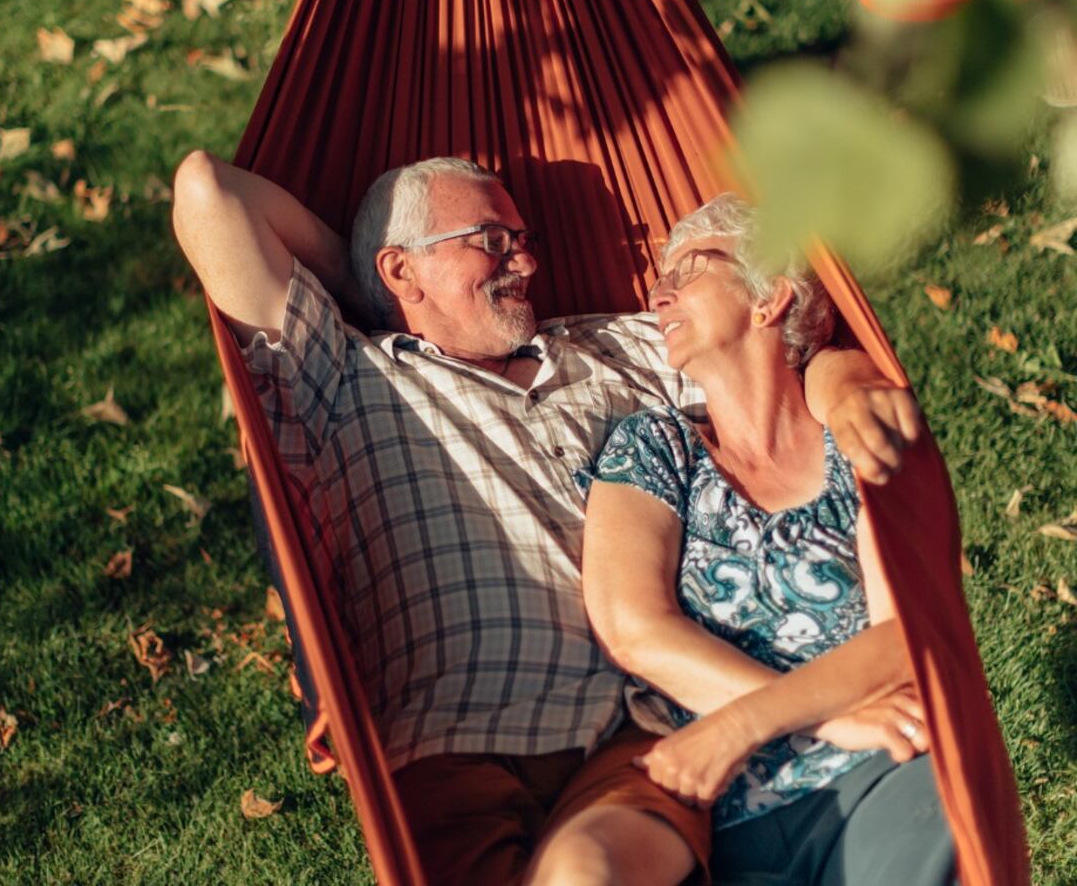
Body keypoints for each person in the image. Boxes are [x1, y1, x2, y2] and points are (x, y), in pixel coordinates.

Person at [171, 153, 922, 886]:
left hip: (636, 731)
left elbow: (774, 346)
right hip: (451, 749)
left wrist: (850, 386)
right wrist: (370, 280)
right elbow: (209, 192)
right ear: (402, 270)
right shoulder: (339, 376)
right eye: (492, 242)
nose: (524, 263)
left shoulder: (614, 347)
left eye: (525, 242)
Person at [532, 194, 954, 886]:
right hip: (717, 811)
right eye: (659, 275)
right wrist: (826, 719)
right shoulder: (654, 448)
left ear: (770, 298)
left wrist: (739, 726)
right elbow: (635, 630)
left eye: (690, 268)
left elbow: (907, 633)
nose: (657, 293)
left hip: (883, 771)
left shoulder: (856, 435)